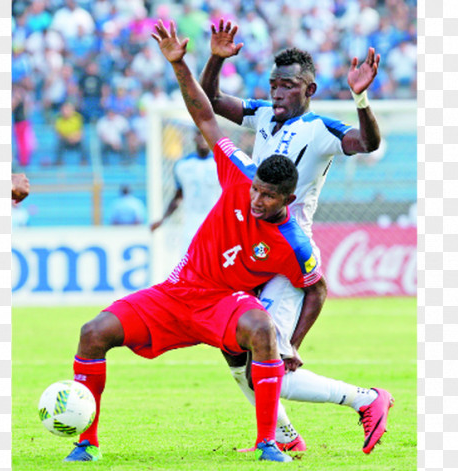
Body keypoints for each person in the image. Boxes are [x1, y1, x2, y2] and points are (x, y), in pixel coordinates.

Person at [64, 20, 325, 463]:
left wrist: (295, 341)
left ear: (289, 199)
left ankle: (269, 443)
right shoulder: (239, 173)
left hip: (225, 302)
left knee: (263, 330)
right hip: (177, 293)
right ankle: (86, 443)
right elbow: (205, 114)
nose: (256, 199)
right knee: (93, 333)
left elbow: (316, 288)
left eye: (268, 196)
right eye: (256, 190)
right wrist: (180, 63)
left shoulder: (293, 242)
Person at [200, 19, 390, 454]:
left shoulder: (321, 129)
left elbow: (367, 143)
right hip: (250, 244)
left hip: (287, 250)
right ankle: (284, 435)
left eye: (287, 86)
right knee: (231, 347)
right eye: (273, 85)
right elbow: (210, 100)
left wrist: (360, 97)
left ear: (310, 90)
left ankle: (367, 399)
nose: (277, 93)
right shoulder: (262, 114)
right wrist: (215, 58)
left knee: (271, 365)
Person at [150, 130, 221, 253]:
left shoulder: (221, 163)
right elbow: (178, 196)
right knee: (188, 262)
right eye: (200, 134)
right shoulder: (182, 165)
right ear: (194, 137)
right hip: (191, 224)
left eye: (206, 134)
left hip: (216, 224)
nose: (203, 138)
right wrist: (163, 219)